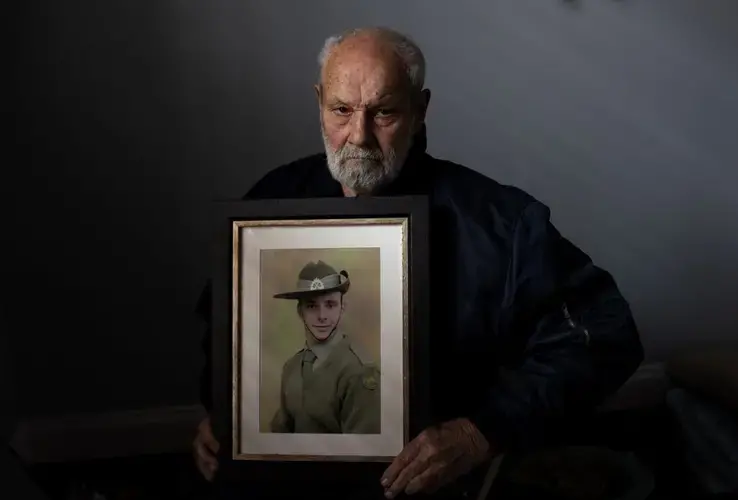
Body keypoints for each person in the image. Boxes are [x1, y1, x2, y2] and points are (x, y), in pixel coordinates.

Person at [192, 26, 644, 499]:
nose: (359, 136)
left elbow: (606, 336)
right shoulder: (272, 201)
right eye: (341, 111)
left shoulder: (501, 224)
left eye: (384, 112)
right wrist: (225, 410)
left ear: (420, 110)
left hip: (433, 486)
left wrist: (481, 431)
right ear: (319, 102)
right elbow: (223, 325)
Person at [268, 260, 381, 434]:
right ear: (300, 312)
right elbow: (279, 437)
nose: (322, 316)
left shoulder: (358, 371)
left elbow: (362, 451)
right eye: (312, 306)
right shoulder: (291, 367)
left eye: (330, 305)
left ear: (342, 308)